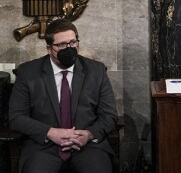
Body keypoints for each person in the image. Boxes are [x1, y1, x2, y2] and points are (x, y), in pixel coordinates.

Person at [8, 18, 117, 173]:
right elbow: (16, 117)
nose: (69, 48)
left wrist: (88, 134)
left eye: (73, 42)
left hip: (87, 147)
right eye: (61, 45)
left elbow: (109, 115)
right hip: (44, 147)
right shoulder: (28, 73)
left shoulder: (96, 71)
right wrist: (49, 132)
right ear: (48, 48)